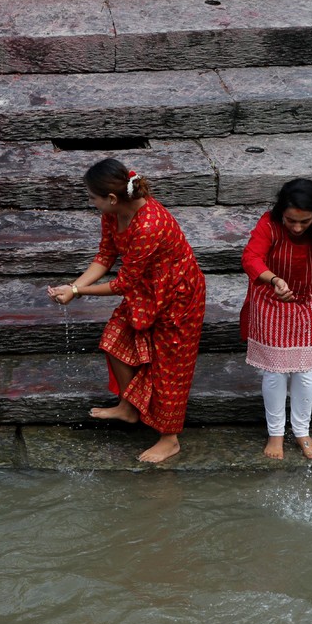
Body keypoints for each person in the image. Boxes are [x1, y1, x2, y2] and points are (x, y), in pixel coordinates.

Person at [47, 158, 206, 463]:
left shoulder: (149, 225)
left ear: (111, 198)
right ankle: (129, 407)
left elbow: (123, 284)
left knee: (169, 368)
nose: (90, 203)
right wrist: (73, 286)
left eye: (92, 198)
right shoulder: (114, 213)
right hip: (147, 288)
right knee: (114, 341)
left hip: (177, 297)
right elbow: (105, 256)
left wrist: (77, 292)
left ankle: (169, 439)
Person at [240, 178, 312, 460]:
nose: (296, 227)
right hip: (271, 301)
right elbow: (251, 258)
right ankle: (276, 434)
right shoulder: (268, 224)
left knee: (304, 372)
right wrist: (274, 280)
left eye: (304, 222)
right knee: (275, 372)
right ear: (282, 212)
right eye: (291, 220)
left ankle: (302, 431)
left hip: (309, 304)